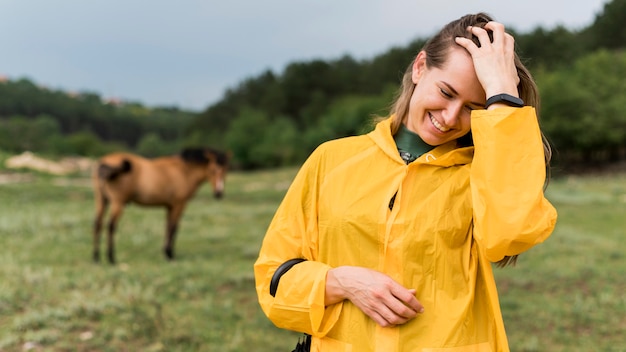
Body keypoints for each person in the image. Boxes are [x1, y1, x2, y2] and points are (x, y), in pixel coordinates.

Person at [254, 12, 557, 352]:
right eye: (446, 92)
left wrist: (502, 96)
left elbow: (511, 233)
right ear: (420, 67)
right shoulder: (331, 160)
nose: (450, 117)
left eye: (474, 107)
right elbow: (273, 280)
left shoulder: (485, 175)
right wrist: (340, 282)